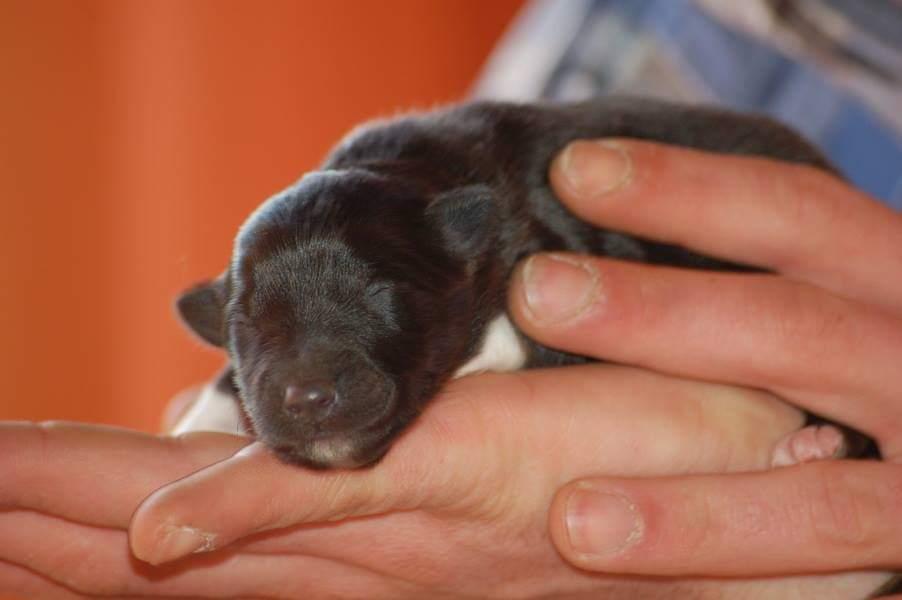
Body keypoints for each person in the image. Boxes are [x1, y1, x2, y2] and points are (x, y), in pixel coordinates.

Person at [2, 1, 901, 598]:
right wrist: (204, 431)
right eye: (256, 345)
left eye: (374, 302)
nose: (303, 387)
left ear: (462, 253)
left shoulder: (501, 218)